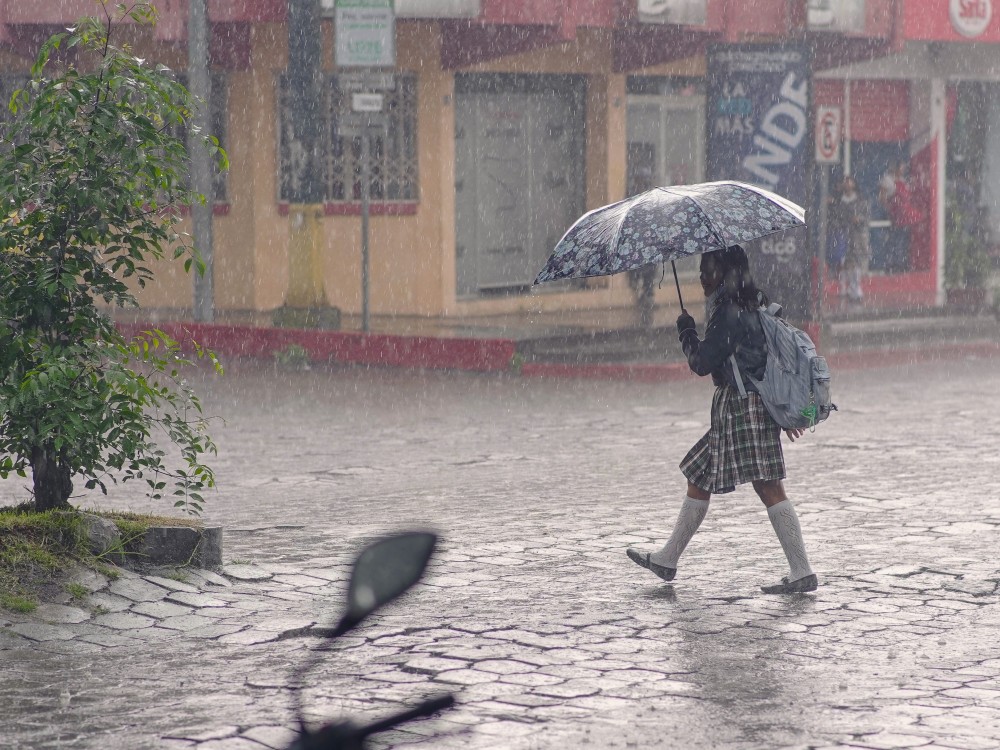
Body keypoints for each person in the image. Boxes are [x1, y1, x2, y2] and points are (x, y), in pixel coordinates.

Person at [626, 245, 818, 594]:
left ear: (724, 274)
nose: (702, 276)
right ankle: (668, 559)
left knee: (768, 485)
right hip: (744, 407)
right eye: (701, 270)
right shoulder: (752, 304)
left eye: (708, 269)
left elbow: (701, 363)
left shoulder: (728, 313)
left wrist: (686, 332)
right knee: (701, 475)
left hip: (740, 408)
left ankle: (802, 570)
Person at [831, 175, 871, 303]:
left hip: (857, 236)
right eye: (845, 181)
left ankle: (855, 288)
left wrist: (859, 219)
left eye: (849, 181)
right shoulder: (838, 201)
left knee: (856, 261)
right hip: (844, 235)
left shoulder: (861, 200)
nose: (847, 184)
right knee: (845, 262)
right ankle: (846, 288)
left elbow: (867, 216)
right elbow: (834, 218)